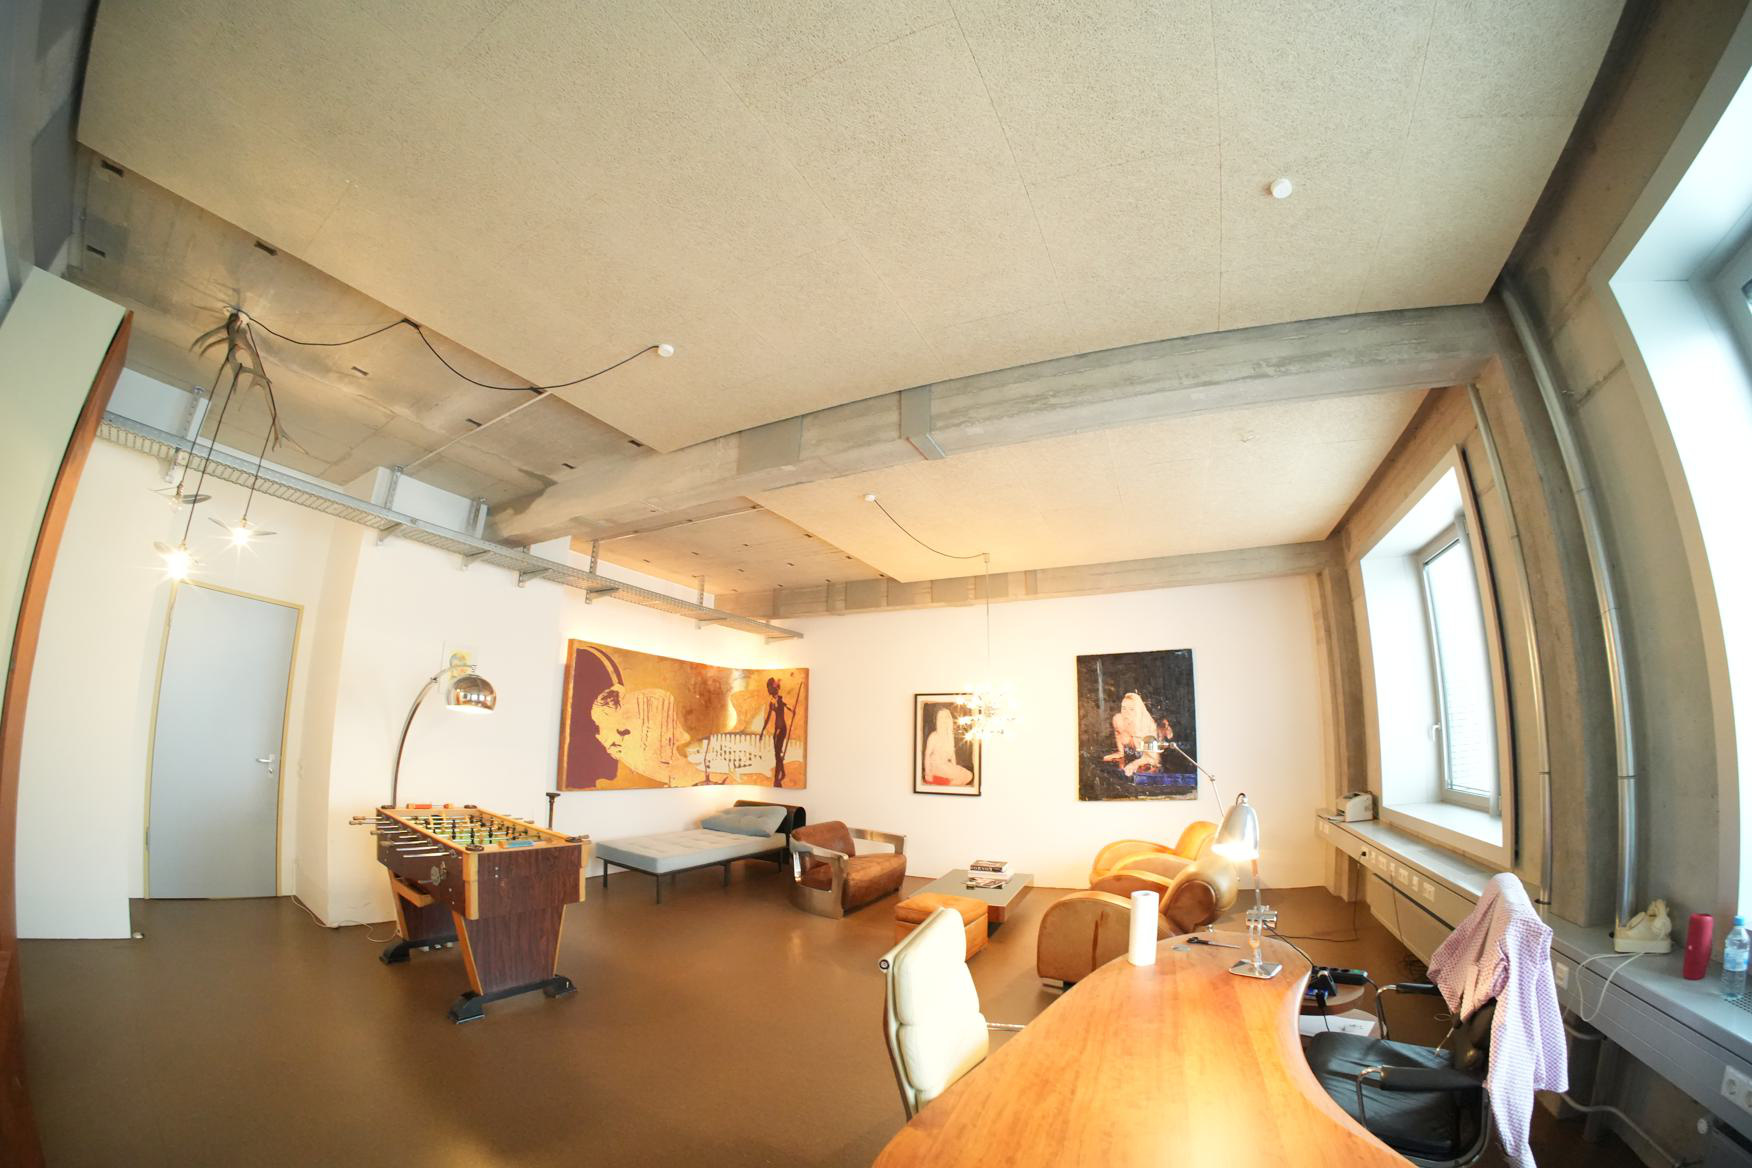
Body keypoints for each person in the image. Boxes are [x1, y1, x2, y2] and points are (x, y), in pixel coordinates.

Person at [1103, 691, 1171, 777]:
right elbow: (1118, 734)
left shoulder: (1147, 727)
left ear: (1138, 711)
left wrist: (1134, 764)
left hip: (1162, 745)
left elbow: (1153, 758)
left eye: (1132, 709)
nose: (1126, 712)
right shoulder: (1118, 719)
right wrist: (1120, 752)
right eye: (1124, 708)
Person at [921, 707, 974, 786]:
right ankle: (946, 786)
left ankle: (947, 785)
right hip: (935, 766)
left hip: (945, 765)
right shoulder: (934, 736)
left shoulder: (950, 736)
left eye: (946, 717)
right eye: (941, 718)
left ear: (949, 720)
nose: (944, 720)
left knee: (969, 775)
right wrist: (928, 773)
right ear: (938, 720)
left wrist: (954, 767)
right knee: (961, 777)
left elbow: (952, 754)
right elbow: (927, 755)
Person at [759, 677, 790, 788]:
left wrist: (792, 710)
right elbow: (768, 718)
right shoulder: (772, 702)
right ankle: (781, 774)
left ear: (774, 688)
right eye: (768, 688)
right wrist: (762, 731)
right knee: (777, 755)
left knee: (777, 755)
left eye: (770, 687)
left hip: (782, 729)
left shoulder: (780, 699)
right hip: (777, 730)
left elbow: (786, 706)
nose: (769, 690)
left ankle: (777, 778)